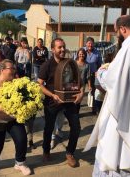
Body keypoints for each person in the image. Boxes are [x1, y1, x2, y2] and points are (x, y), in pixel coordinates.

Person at [84, 15, 130, 177]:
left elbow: (113, 80)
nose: (117, 35)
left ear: (123, 29)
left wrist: (101, 72)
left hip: (125, 109)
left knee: (116, 151)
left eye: (117, 31)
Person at [38, 38, 83, 168]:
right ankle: (46, 151)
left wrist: (80, 93)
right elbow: (40, 84)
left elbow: (80, 82)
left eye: (63, 47)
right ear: (53, 50)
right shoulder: (47, 65)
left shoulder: (69, 63)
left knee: (76, 127)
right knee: (49, 128)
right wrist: (52, 95)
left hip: (69, 101)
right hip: (52, 101)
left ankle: (70, 153)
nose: (62, 49)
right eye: (59, 47)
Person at [0, 59, 31, 175]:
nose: (14, 70)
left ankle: (20, 163)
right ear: (2, 70)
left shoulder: (16, 82)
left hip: (12, 119)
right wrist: (6, 108)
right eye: (11, 68)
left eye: (14, 68)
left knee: (22, 139)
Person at [84, 37, 102, 115]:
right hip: (83, 74)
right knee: (80, 90)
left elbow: (99, 64)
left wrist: (97, 71)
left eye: (91, 43)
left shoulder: (97, 52)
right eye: (89, 43)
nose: (90, 45)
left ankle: (94, 109)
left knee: (94, 91)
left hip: (93, 75)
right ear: (86, 44)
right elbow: (76, 60)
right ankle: (75, 108)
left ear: (93, 44)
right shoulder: (82, 51)